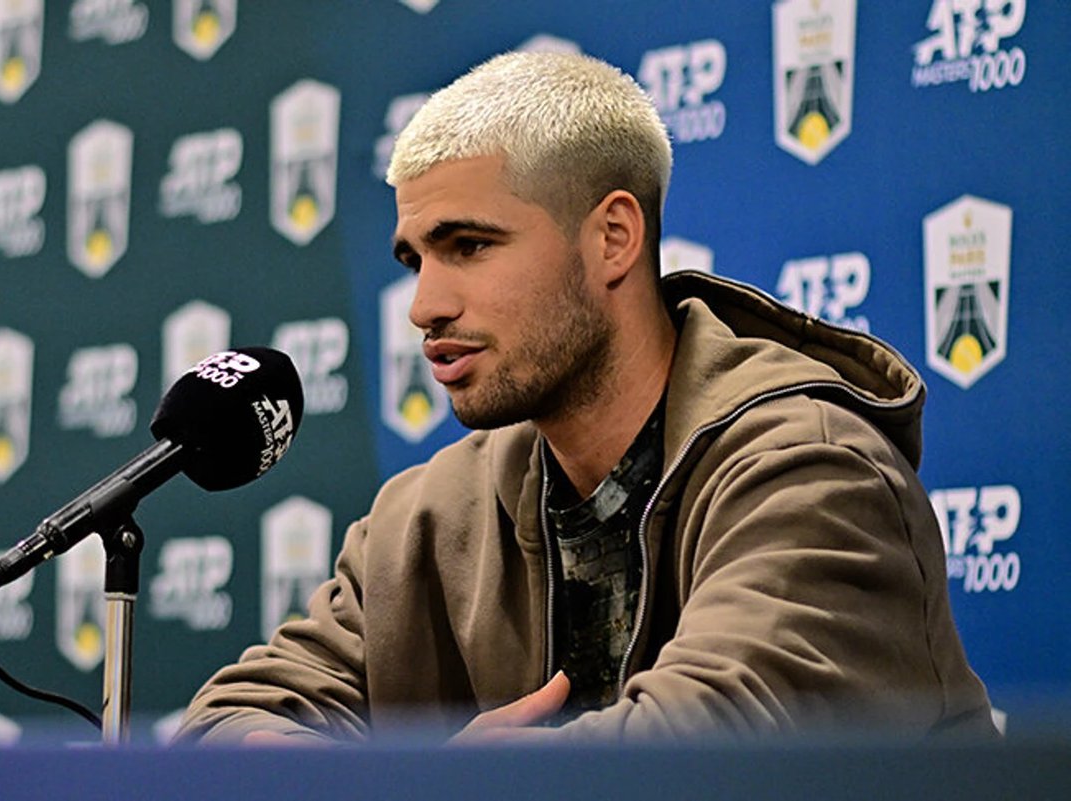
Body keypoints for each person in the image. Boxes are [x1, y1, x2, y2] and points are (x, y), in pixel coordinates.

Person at [176, 51, 996, 745]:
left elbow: (705, 743)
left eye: (468, 245)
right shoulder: (426, 519)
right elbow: (226, 725)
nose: (424, 305)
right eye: (413, 259)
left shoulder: (814, 469)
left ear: (612, 237)